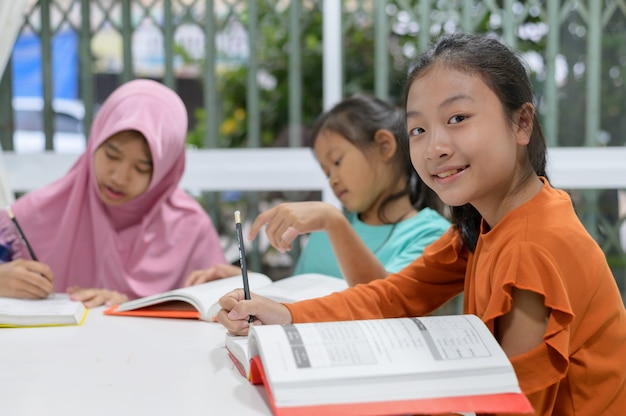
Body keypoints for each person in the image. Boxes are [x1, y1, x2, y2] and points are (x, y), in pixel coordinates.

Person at [217, 33, 626, 415]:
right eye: (418, 129)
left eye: (458, 118)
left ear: (521, 123)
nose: (435, 148)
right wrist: (286, 315)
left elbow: (514, 405)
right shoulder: (484, 223)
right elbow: (394, 296)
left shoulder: (534, 246)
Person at [0, 79, 227, 306]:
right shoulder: (32, 215)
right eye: (112, 155)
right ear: (95, 139)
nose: (119, 177)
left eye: (141, 168)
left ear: (165, 171)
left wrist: (123, 309)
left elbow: (219, 315)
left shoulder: (191, 229)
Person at [184, 94, 450, 287]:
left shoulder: (432, 234)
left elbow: (387, 304)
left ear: (384, 146)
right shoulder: (328, 232)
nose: (332, 180)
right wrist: (249, 283)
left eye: (337, 161)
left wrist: (333, 222)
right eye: (326, 172)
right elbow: (299, 299)